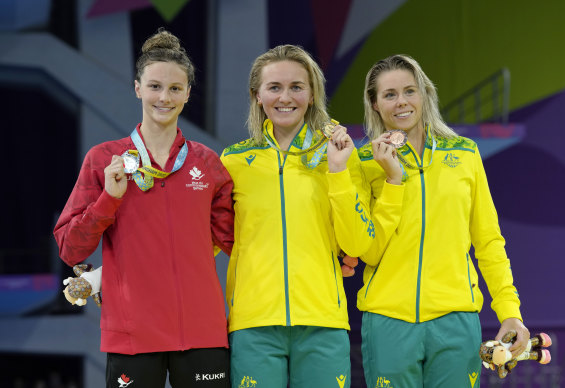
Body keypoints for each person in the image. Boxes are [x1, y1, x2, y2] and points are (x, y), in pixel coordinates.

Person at [53, 29, 233, 388]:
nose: (163, 97)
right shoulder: (104, 160)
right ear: (137, 87)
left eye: (174, 88)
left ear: (187, 94)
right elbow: (70, 247)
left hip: (202, 332)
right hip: (133, 335)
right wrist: (109, 199)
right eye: (154, 86)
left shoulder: (208, 164)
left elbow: (241, 240)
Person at [356, 54, 530, 387]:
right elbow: (366, 250)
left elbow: (489, 241)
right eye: (389, 94)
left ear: (425, 94)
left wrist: (510, 311)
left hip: (456, 320)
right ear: (375, 104)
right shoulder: (362, 162)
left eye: (410, 90)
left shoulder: (464, 154)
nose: (402, 102)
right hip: (387, 320)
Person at [219, 44, 374, 388]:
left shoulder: (342, 153)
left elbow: (356, 242)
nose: (285, 97)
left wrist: (337, 172)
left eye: (296, 87)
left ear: (312, 93)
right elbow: (206, 240)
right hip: (254, 324)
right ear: (257, 95)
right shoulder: (233, 161)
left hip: (323, 322)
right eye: (274, 87)